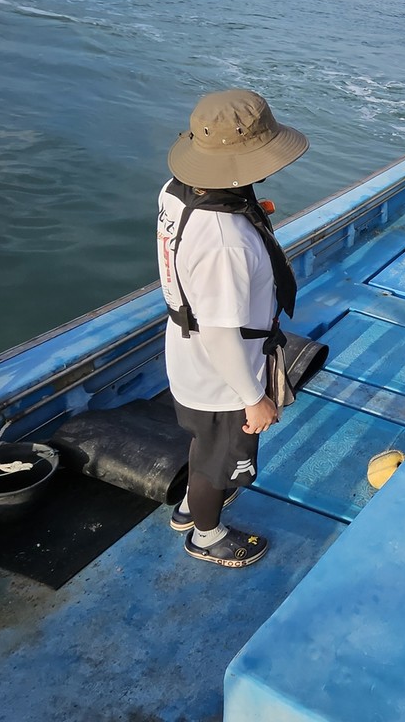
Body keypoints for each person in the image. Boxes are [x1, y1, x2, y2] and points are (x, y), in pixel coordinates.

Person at [156, 88, 308, 567]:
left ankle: (191, 507)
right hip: (223, 373)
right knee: (217, 463)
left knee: (206, 446)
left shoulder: (176, 191)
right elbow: (221, 333)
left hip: (185, 353)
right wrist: (253, 397)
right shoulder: (227, 242)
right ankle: (205, 532)